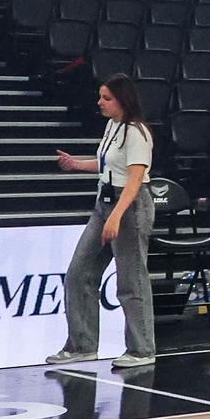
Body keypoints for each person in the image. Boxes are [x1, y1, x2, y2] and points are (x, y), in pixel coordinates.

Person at [49, 74, 158, 369]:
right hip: (105, 202)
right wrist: (76, 165)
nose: (100, 102)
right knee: (78, 273)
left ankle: (141, 348)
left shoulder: (137, 132)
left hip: (129, 206)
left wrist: (117, 216)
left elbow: (135, 179)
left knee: (130, 281)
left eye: (106, 98)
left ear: (122, 100)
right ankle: (82, 344)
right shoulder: (112, 126)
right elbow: (108, 163)